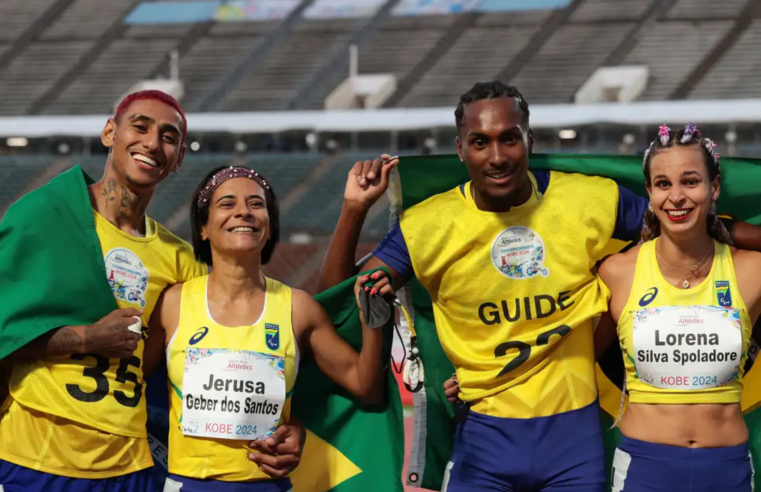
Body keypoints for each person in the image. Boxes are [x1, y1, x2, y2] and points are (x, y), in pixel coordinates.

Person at [318, 81, 761, 492]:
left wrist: (735, 233)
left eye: (509, 137)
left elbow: (678, 220)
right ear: (460, 149)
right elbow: (338, 300)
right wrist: (353, 211)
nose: (497, 156)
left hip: (574, 441)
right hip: (483, 437)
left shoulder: (590, 200)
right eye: (480, 142)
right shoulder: (427, 226)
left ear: (529, 140)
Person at [0, 91, 303, 492]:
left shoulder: (177, 259)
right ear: (110, 132)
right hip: (34, 458)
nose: (151, 143)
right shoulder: (43, 217)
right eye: (139, 126)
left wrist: (293, 424)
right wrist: (89, 337)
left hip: (131, 467)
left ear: (177, 159)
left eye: (168, 136)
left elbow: (247, 346)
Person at [147, 165, 390, 492]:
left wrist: (373, 324)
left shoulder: (298, 309)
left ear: (270, 225)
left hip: (266, 485)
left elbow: (366, 387)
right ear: (202, 227)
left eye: (256, 204)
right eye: (227, 203)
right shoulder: (172, 304)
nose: (243, 212)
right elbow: (137, 387)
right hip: (187, 484)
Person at [593, 124, 761, 492]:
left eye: (691, 182)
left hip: (727, 467)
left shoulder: (752, 271)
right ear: (650, 193)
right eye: (664, 184)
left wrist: (729, 228)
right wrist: (486, 380)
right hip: (645, 468)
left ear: (713, 188)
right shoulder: (618, 273)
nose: (677, 197)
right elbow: (574, 360)